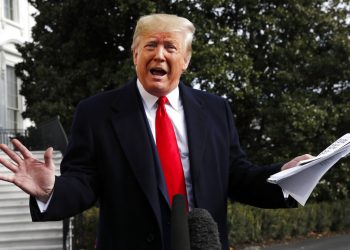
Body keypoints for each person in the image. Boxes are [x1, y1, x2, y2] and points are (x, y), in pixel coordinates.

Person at [0, 14, 311, 250]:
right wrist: (51, 191)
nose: (159, 55)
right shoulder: (96, 113)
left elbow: (238, 176)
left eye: (170, 47)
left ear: (185, 60)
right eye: (150, 45)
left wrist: (287, 177)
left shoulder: (216, 110)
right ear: (135, 55)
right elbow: (84, 182)